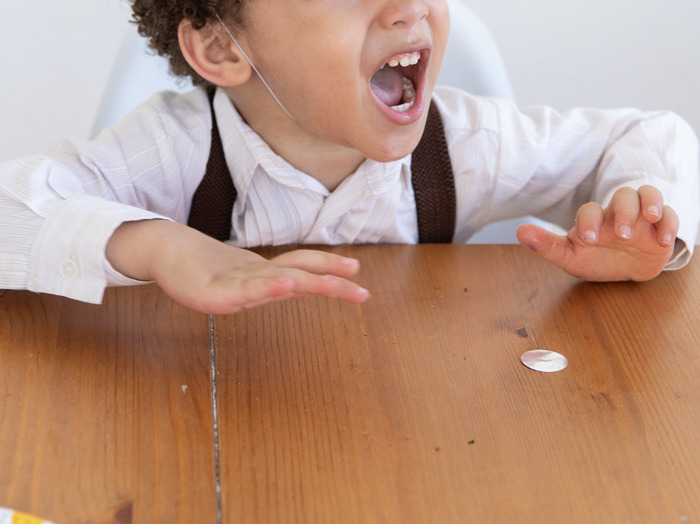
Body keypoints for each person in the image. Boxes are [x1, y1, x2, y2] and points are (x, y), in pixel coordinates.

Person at [0, 0, 698, 314]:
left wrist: (642, 221)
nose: (406, 9)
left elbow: (646, 132)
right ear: (223, 49)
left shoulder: (467, 147)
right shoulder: (173, 151)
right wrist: (154, 246)